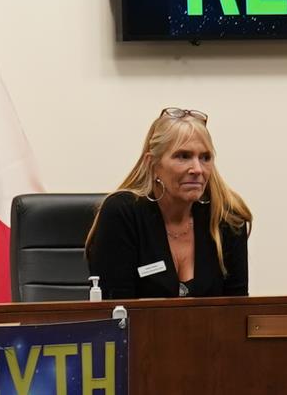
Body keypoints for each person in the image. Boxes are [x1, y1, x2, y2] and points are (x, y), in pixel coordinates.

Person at [83, 108, 251, 297]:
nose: (198, 169)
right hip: (140, 327)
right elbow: (115, 314)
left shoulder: (227, 218)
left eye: (205, 158)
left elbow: (236, 312)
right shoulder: (122, 213)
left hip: (211, 327)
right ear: (152, 164)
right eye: (183, 156)